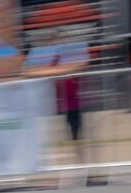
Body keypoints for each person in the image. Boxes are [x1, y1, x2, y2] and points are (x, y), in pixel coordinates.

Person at [24, 31, 92, 162]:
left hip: (71, 101)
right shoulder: (41, 55)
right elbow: (29, 71)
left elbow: (83, 64)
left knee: (76, 132)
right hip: (48, 101)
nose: (57, 43)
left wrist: (59, 70)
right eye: (54, 40)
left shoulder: (72, 53)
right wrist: (63, 70)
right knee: (47, 134)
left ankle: (80, 161)